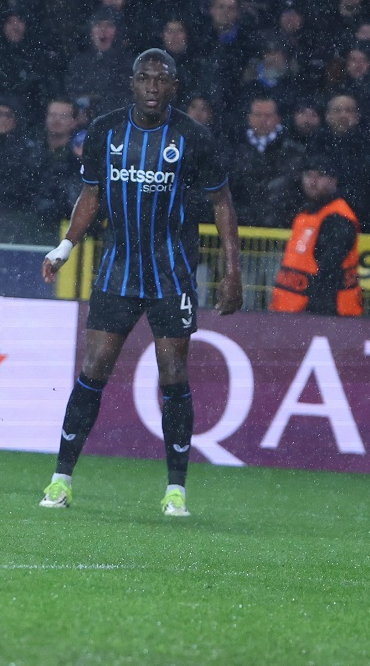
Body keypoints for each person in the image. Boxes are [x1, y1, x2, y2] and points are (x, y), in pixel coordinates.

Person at [40, 48, 243, 518]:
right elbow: (91, 195)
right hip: (117, 269)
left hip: (172, 274)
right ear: (132, 83)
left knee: (173, 376)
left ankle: (176, 490)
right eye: (145, 78)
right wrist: (66, 247)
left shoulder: (193, 138)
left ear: (174, 86)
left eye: (162, 79)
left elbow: (223, 204)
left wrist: (233, 272)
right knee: (93, 369)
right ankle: (61, 479)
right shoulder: (106, 132)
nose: (153, 86)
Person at [270, 159, 363, 317]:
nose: (312, 182)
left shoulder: (338, 218)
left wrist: (316, 313)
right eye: (308, 175)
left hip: (321, 314)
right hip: (290, 313)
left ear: (333, 180)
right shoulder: (307, 213)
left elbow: (329, 272)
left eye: (319, 176)